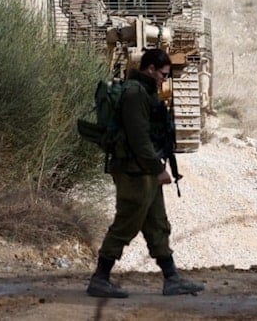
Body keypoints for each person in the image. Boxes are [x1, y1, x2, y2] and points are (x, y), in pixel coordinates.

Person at [86, 47, 205, 298]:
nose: (165, 79)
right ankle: (100, 278)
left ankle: (172, 278)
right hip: (134, 171)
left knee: (157, 223)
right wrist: (157, 169)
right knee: (127, 222)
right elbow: (139, 138)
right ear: (150, 69)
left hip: (142, 170)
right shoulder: (135, 94)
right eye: (163, 73)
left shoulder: (144, 92)